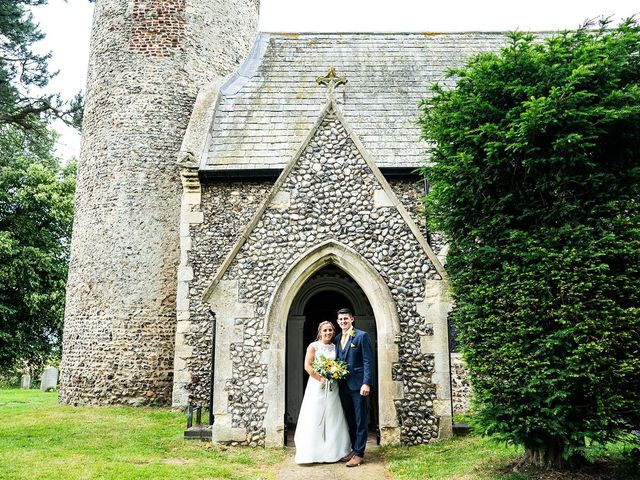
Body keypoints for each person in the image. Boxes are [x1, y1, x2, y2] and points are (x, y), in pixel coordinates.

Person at [294, 321, 352, 464]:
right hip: (317, 386)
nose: (328, 333)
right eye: (325, 330)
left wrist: (335, 374)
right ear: (320, 332)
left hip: (333, 387)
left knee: (333, 416)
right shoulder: (313, 346)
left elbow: (338, 364)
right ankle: (312, 451)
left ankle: (334, 451)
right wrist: (320, 378)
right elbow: (307, 366)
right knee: (315, 415)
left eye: (330, 330)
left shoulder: (335, 346)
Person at [335, 308, 373, 467]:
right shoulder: (337, 338)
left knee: (360, 419)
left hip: (358, 385)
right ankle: (353, 449)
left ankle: (359, 453)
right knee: (349, 419)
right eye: (341, 319)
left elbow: (368, 361)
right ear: (338, 322)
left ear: (352, 319)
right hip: (343, 386)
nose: (343, 321)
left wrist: (366, 382)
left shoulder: (361, 336)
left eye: (346, 319)